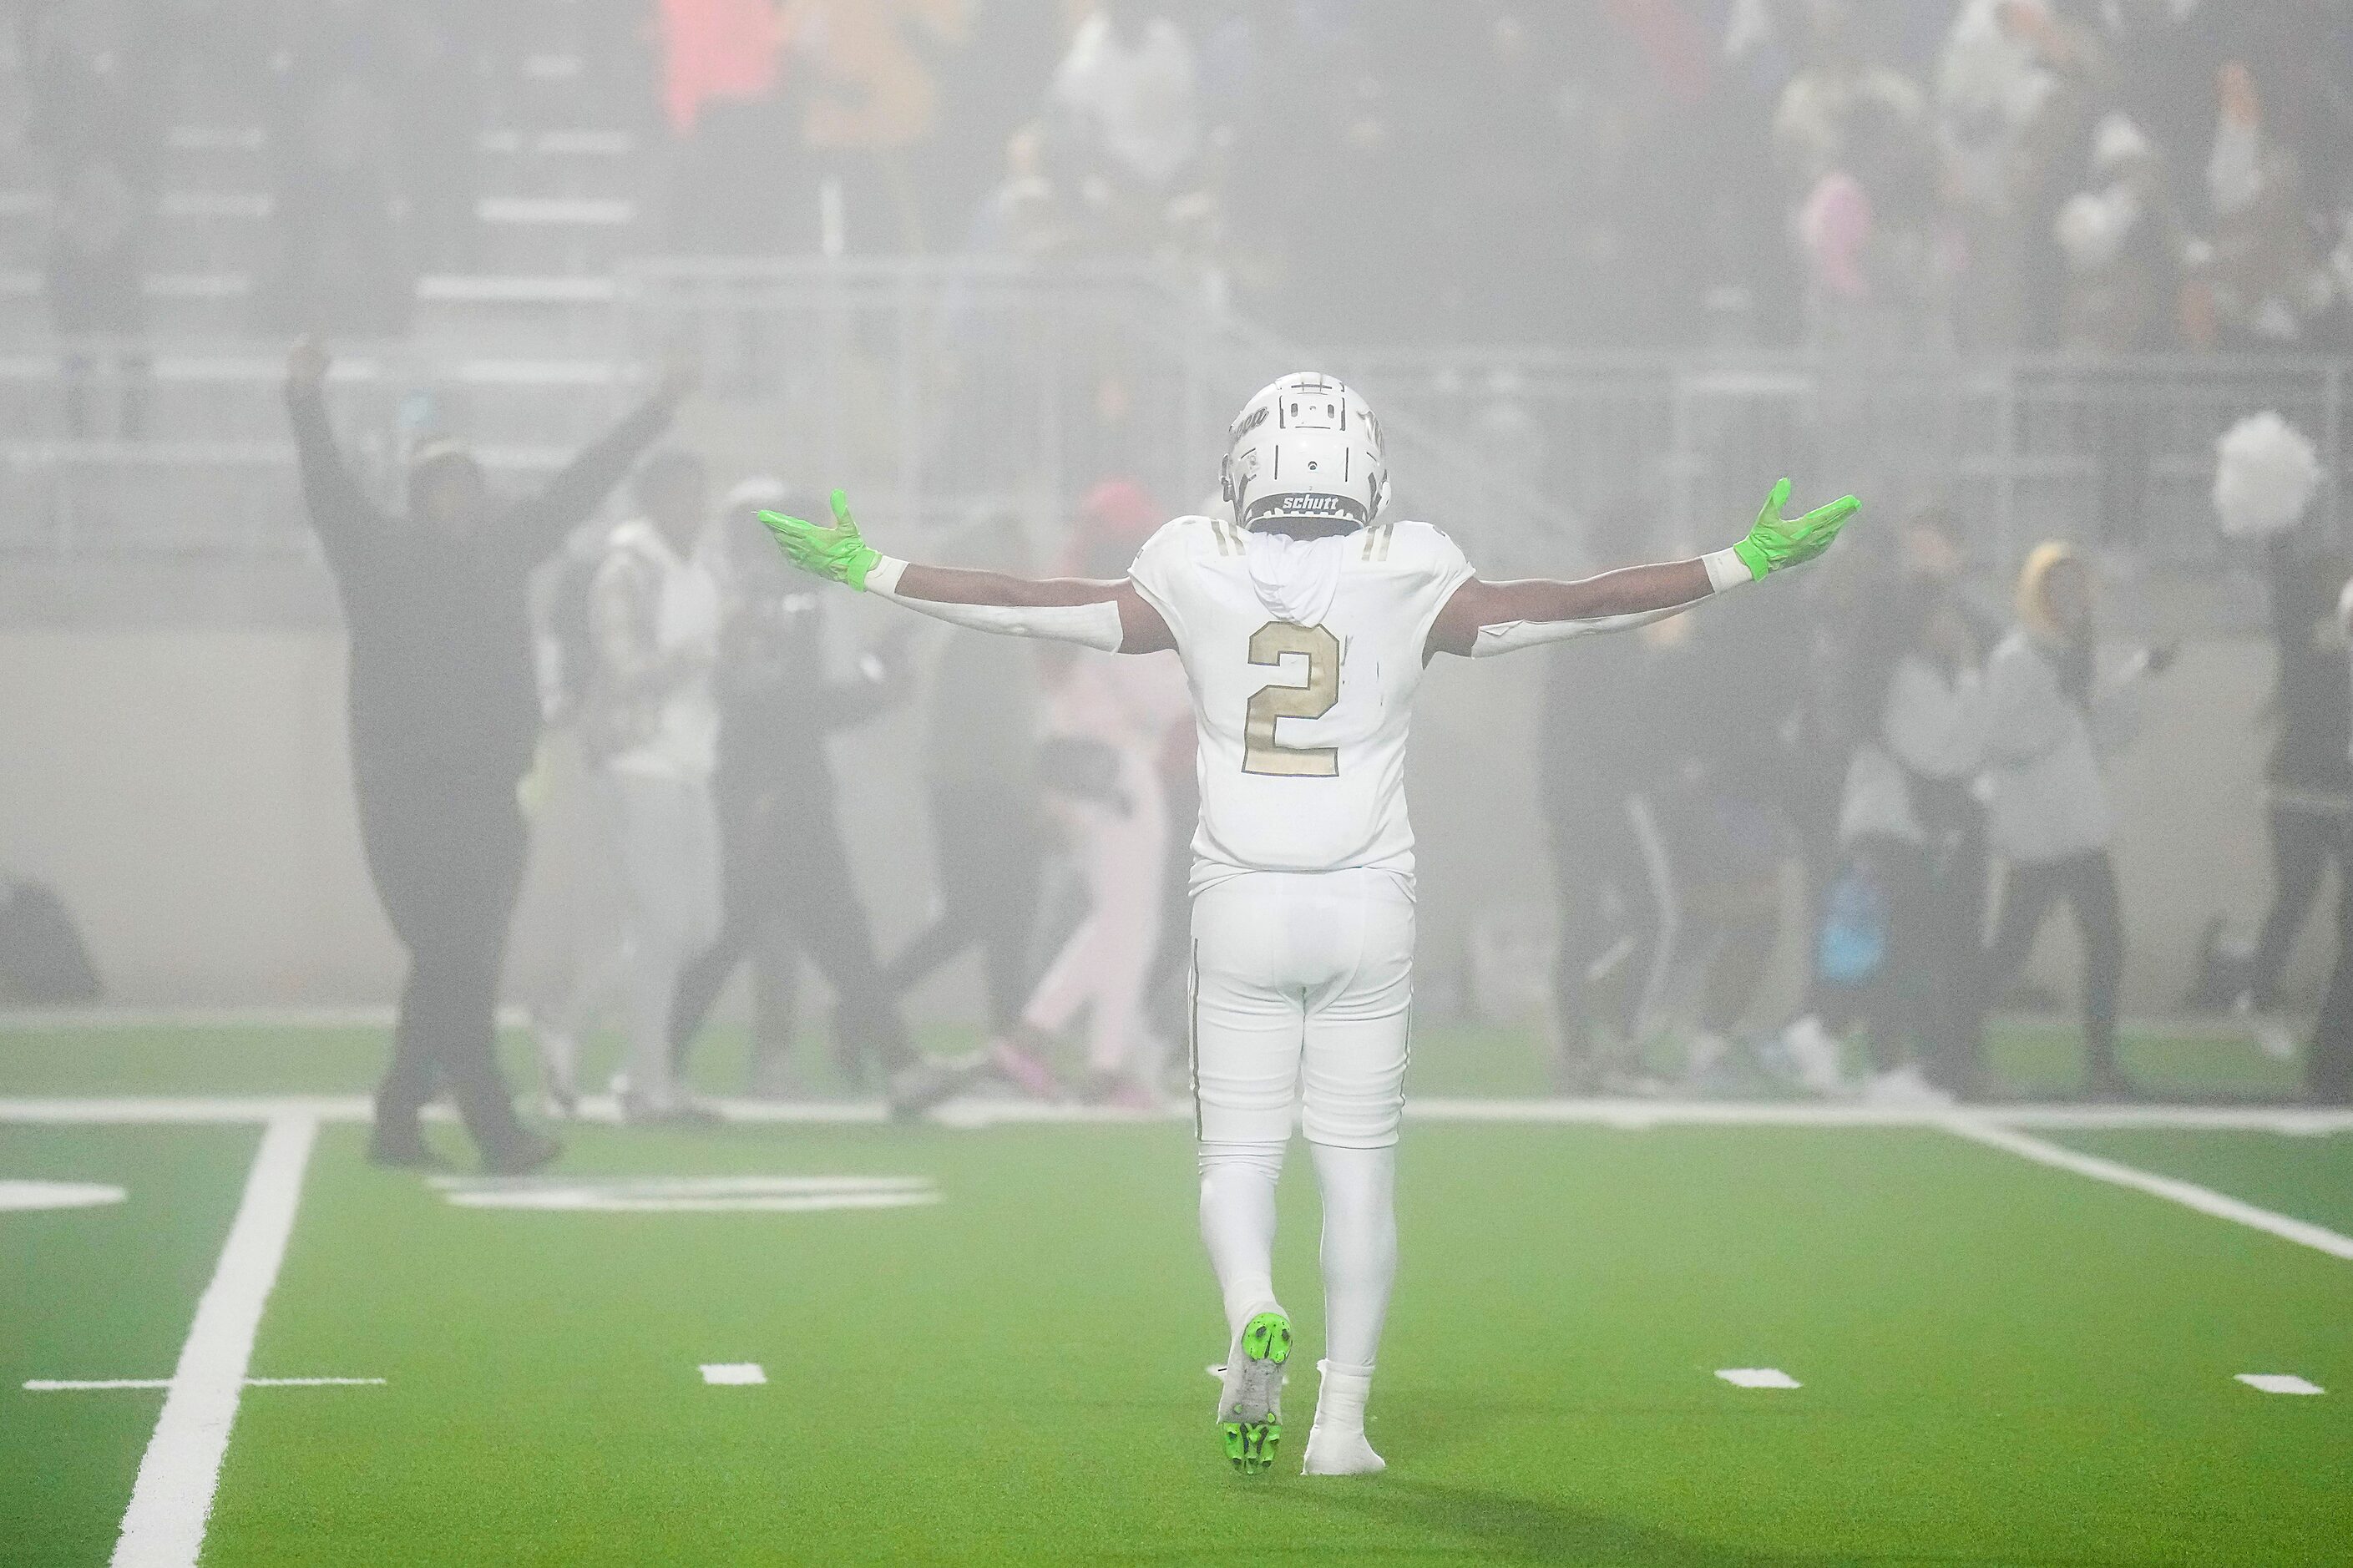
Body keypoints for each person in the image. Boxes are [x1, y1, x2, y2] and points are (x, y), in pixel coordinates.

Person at [758, 373, 1856, 1477]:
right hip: (1365, 901)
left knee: (1234, 1158)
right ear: (1363, 470)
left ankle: (1250, 1311)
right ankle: (1341, 1427)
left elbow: (1033, 604)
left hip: (1239, 899)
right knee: (1357, 1175)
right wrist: (1737, 562)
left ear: (1246, 466)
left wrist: (876, 569)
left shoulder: (1192, 560)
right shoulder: (1411, 566)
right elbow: (1571, 605)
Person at [285, 336, 690, 1172]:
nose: (458, 497)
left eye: (468, 482)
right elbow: (327, 491)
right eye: (442, 483)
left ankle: (398, 1120)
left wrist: (654, 413)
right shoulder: (377, 556)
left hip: (491, 791)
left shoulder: (504, 549)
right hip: (403, 790)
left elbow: (581, 486)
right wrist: (304, 401)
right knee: (453, 957)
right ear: (418, 492)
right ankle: (492, 1127)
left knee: (458, 961)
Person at [664, 483, 960, 1116]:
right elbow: (777, 709)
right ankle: (656, 1062)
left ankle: (902, 1065)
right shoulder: (754, 605)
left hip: (782, 788)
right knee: (746, 936)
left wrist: (873, 684)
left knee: (829, 937)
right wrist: (870, 694)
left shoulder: (772, 601)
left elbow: (792, 705)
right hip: (768, 792)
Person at [1976, 543, 2167, 1101]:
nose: (2071, 600)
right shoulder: (2015, 658)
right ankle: (1952, 1047)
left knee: (2108, 944)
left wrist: (2137, 675)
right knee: (2011, 951)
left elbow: (2102, 731)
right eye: (2056, 589)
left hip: (2079, 828)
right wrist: (2064, 704)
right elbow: (2004, 740)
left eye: (2077, 589)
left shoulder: (2072, 657)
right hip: (2038, 833)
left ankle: (2102, 1066)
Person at [580, 449, 726, 1124]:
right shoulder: (625, 571)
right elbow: (626, 670)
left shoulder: (704, 571)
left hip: (693, 758)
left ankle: (568, 1014)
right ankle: (647, 1083)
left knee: (699, 927)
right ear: (650, 502)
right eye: (677, 497)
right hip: (638, 759)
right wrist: (703, 653)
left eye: (697, 496)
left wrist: (739, 655)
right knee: (666, 926)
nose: (691, 510)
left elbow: (715, 670)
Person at [881, 513, 1048, 1058]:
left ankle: (1006, 1043)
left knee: (999, 924)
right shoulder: (985, 626)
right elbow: (999, 725)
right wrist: (1030, 797)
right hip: (982, 792)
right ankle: (869, 1002)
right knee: (986, 918)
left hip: (968, 787)